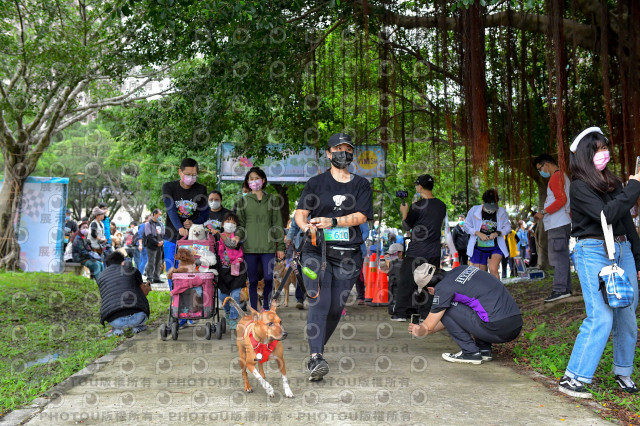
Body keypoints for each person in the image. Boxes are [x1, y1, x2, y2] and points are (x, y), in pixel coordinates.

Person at [558, 127, 640, 398]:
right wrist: (634, 190)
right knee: (602, 316)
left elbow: (625, 221)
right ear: (585, 155)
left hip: (622, 249)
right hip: (592, 251)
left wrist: (637, 260)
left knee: (627, 314)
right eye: (598, 148)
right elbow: (606, 215)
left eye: (605, 147)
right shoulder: (580, 187)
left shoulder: (613, 183)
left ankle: (623, 371)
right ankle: (573, 377)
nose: (604, 153)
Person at [295, 132, 373, 382]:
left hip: (348, 254)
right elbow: (300, 213)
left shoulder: (361, 184)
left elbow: (361, 216)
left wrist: (334, 221)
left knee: (336, 307)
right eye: (337, 149)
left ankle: (317, 352)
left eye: (347, 149)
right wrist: (307, 227)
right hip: (316, 251)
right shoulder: (316, 183)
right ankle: (316, 356)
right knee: (320, 301)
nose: (342, 153)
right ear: (328, 154)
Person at [409, 265, 523, 364]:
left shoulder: (443, 288)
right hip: (515, 323)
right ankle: (484, 349)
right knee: (476, 303)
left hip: (497, 329)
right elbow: (457, 318)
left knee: (446, 307)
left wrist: (420, 330)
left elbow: (429, 326)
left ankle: (470, 352)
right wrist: (430, 328)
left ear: (429, 288)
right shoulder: (462, 268)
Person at [393, 174, 447, 321]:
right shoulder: (442, 205)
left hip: (417, 250)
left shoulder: (417, 207)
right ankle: (426, 314)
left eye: (417, 185)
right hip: (434, 251)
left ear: (420, 187)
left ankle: (400, 313)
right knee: (430, 281)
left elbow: (407, 226)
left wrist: (405, 212)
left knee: (406, 280)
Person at [236, 166, 285, 311]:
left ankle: (266, 308)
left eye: (257, 178)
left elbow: (277, 223)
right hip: (249, 248)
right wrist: (237, 237)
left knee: (269, 279)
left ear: (263, 180)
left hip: (268, 247)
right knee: (252, 281)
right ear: (247, 182)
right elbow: (240, 224)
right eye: (251, 179)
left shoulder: (272, 200)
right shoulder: (242, 201)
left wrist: (281, 247)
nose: (254, 181)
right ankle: (253, 311)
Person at [161, 158, 209, 289]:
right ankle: (175, 300)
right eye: (188, 174)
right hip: (172, 236)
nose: (191, 178)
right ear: (180, 172)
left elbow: (205, 214)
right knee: (172, 270)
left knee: (191, 270)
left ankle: (190, 300)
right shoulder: (169, 187)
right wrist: (179, 227)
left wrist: (194, 222)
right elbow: (170, 209)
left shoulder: (201, 189)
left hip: (192, 240)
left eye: (194, 175)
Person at [533, 153, 573, 303]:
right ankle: (565, 289)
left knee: (558, 258)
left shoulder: (556, 177)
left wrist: (543, 212)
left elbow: (561, 199)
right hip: (562, 222)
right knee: (561, 257)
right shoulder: (563, 176)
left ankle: (560, 289)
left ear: (547, 164)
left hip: (558, 224)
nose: (540, 172)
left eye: (540, 168)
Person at [98, 251, 150, 337]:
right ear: (123, 262)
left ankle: (117, 330)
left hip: (115, 320)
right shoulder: (132, 270)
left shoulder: (101, 276)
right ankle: (137, 327)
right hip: (138, 317)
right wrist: (147, 288)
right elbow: (144, 292)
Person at [463, 189, 511, 279]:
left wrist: (498, 232)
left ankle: (497, 292)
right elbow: (466, 226)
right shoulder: (474, 210)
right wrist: (477, 233)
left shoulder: (501, 211)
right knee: (479, 273)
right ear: (483, 202)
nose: (491, 210)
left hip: (495, 246)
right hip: (478, 247)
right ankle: (481, 292)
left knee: (493, 269)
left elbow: (508, 227)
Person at [216, 212, 247, 330]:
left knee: (235, 295)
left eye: (233, 223)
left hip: (237, 270)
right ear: (223, 224)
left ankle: (234, 318)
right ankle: (228, 312)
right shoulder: (216, 237)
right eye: (228, 222)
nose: (230, 224)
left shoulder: (238, 237)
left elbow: (231, 244)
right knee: (222, 295)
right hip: (222, 272)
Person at [285, 213, 308, 309]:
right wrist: (289, 239)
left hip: (318, 246)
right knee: (300, 273)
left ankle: (319, 298)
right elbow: (293, 227)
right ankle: (300, 299)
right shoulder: (301, 211)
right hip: (301, 246)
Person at [380, 243, 404, 317]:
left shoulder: (402, 263)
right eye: (390, 255)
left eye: (394, 254)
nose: (392, 256)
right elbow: (385, 270)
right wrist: (383, 259)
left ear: (401, 253)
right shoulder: (392, 263)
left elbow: (385, 270)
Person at [144, 208, 165, 284]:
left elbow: (163, 234)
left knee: (158, 262)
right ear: (154, 214)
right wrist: (156, 242)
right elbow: (148, 235)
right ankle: (150, 277)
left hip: (160, 245)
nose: (160, 216)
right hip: (151, 246)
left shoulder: (161, 224)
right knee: (151, 262)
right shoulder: (148, 224)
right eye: (159, 214)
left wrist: (162, 241)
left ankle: (156, 277)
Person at [354, 222, 370, 305]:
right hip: (341, 249)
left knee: (358, 274)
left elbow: (366, 233)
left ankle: (361, 296)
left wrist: (355, 242)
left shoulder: (361, 219)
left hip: (358, 250)